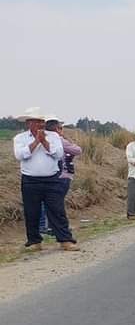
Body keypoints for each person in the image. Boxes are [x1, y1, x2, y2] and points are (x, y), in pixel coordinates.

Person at [12, 108, 78, 252]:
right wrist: (37, 141)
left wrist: (44, 141)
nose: (40, 124)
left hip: (52, 180)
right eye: (37, 121)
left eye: (42, 121)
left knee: (57, 210)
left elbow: (58, 154)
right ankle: (34, 242)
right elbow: (20, 155)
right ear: (29, 123)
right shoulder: (20, 138)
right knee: (31, 212)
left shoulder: (53, 136)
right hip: (30, 180)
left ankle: (65, 240)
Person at [39, 116, 82, 235]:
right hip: (61, 175)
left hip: (45, 174)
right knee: (56, 202)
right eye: (61, 128)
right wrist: (65, 137)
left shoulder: (42, 139)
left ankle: (45, 226)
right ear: (57, 129)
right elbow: (78, 150)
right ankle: (53, 227)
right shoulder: (60, 140)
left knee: (45, 201)